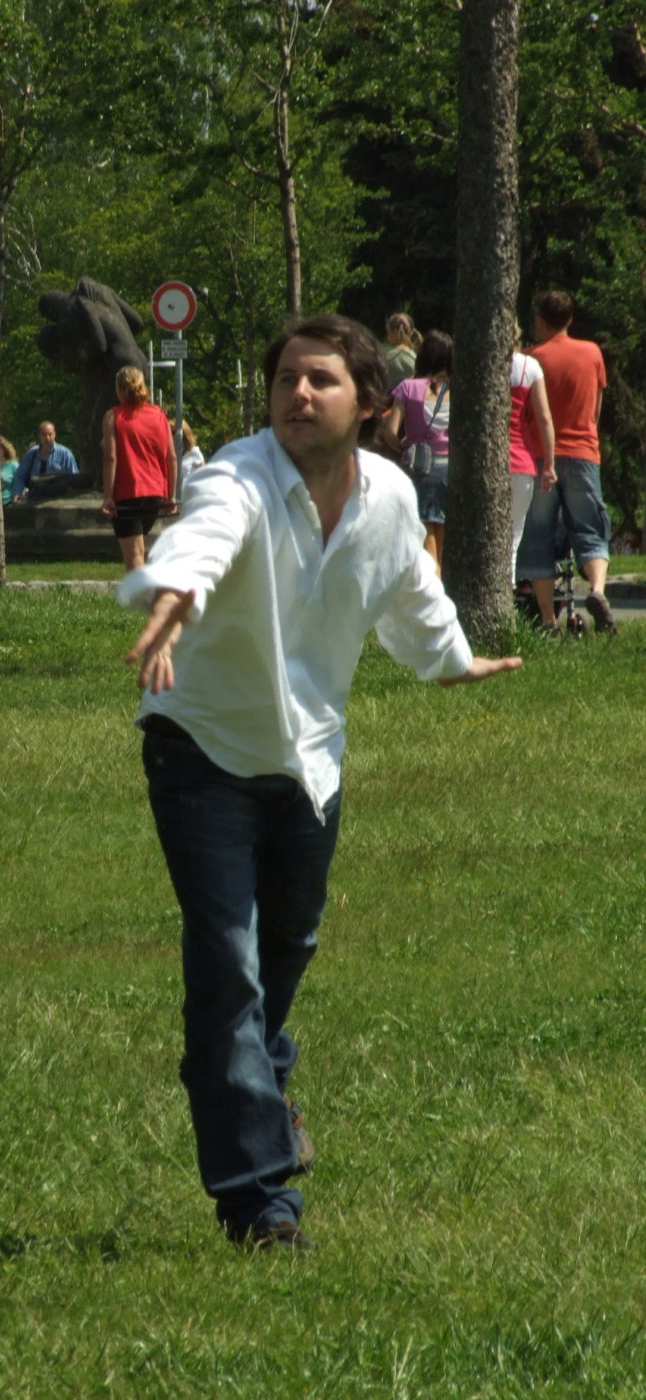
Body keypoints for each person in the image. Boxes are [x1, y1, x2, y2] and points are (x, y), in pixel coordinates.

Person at [119, 314, 520, 1252]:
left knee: (283, 955)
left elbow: (410, 587)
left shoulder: (388, 495)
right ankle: (260, 1202)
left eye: (320, 380)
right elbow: (208, 531)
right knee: (228, 966)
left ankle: (241, 1080)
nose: (297, 394)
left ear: (370, 402)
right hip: (202, 749)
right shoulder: (239, 473)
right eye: (285, 380)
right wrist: (174, 590)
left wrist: (450, 660)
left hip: (309, 764)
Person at [517, 291, 617, 634]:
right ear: (570, 319)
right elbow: (596, 409)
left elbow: (525, 413)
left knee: (538, 537)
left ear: (540, 321)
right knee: (591, 529)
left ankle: (548, 619)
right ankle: (598, 590)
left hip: (540, 456)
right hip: (583, 452)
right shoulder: (592, 353)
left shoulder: (531, 359)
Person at [382, 330, 453, 574]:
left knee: (424, 534)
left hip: (419, 467)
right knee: (440, 537)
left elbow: (390, 432)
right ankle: (440, 579)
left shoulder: (408, 387)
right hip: (449, 467)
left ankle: (434, 583)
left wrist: (404, 448)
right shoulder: (457, 389)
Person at [101, 366, 179, 572]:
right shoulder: (159, 415)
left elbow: (110, 458)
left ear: (119, 389)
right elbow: (171, 457)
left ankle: (144, 592)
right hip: (155, 494)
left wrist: (108, 496)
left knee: (134, 556)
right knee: (139, 549)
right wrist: (170, 495)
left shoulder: (113, 416)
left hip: (128, 494)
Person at [508, 325, 556, 588]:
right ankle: (507, 591)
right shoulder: (529, 367)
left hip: (483, 465)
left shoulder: (478, 361)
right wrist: (549, 464)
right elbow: (544, 418)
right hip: (520, 461)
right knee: (513, 536)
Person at [11, 422, 79, 502]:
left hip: (58, 497)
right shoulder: (31, 453)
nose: (47, 438)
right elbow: (20, 475)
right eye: (44, 435)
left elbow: (74, 477)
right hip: (34, 496)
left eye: (50, 434)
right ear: (39, 436)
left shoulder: (65, 454)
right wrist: (17, 492)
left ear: (55, 434)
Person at [382, 313, 422, 390]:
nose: (387, 335)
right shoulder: (414, 357)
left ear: (394, 331)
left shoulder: (383, 354)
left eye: (388, 331)